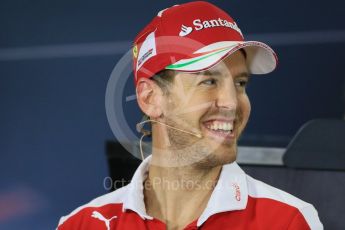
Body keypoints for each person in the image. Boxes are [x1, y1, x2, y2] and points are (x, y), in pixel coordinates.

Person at [57, 1, 323, 229]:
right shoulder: (82, 224)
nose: (232, 102)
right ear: (150, 98)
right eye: (208, 81)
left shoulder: (288, 221)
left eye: (240, 83)